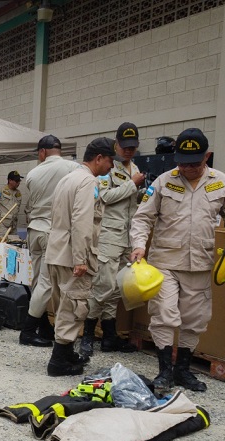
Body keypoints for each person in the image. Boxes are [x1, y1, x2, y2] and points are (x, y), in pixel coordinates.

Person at [130, 128, 225, 392]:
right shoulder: (162, 182)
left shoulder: (220, 181)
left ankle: (183, 371)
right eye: (182, 162)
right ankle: (164, 372)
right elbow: (142, 217)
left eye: (194, 163)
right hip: (165, 262)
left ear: (207, 156)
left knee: (195, 319)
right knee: (164, 315)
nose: (187, 168)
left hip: (201, 263)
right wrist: (138, 246)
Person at [46, 138, 116, 376]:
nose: (112, 167)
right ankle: (59, 362)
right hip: (71, 254)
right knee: (74, 306)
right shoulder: (88, 181)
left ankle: (65, 354)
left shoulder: (68, 178)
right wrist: (80, 259)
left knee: (63, 304)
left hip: (57, 251)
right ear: (98, 158)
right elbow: (82, 222)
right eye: (110, 160)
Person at [81, 123, 146, 356]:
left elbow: (131, 203)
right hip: (109, 235)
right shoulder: (109, 167)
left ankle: (109, 335)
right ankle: (87, 333)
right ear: (116, 144)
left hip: (127, 237)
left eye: (132, 147)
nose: (128, 151)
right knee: (104, 285)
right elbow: (105, 197)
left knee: (118, 288)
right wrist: (132, 185)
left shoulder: (135, 168)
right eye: (124, 146)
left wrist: (140, 192)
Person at [19, 134, 82, 347]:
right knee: (47, 284)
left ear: (42, 152)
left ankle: (44, 326)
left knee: (38, 281)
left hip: (34, 231)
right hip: (52, 231)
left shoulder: (32, 174)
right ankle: (27, 331)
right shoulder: (73, 169)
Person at [0, 171, 22, 238]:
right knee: (2, 244)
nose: (18, 183)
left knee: (12, 244)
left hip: (13, 225)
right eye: (17, 181)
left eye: (19, 181)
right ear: (10, 180)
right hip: (2, 225)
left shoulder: (18, 193)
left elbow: (18, 207)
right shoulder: (0, 191)